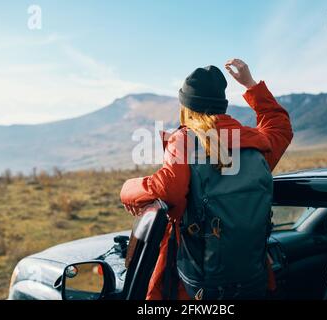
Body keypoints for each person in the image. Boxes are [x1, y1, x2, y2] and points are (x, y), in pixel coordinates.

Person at [121, 58, 293, 300]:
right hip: (253, 279)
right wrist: (251, 85)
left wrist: (128, 190)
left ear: (187, 108)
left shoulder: (185, 141)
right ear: (221, 106)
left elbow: (169, 190)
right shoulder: (257, 144)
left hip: (196, 288)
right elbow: (280, 126)